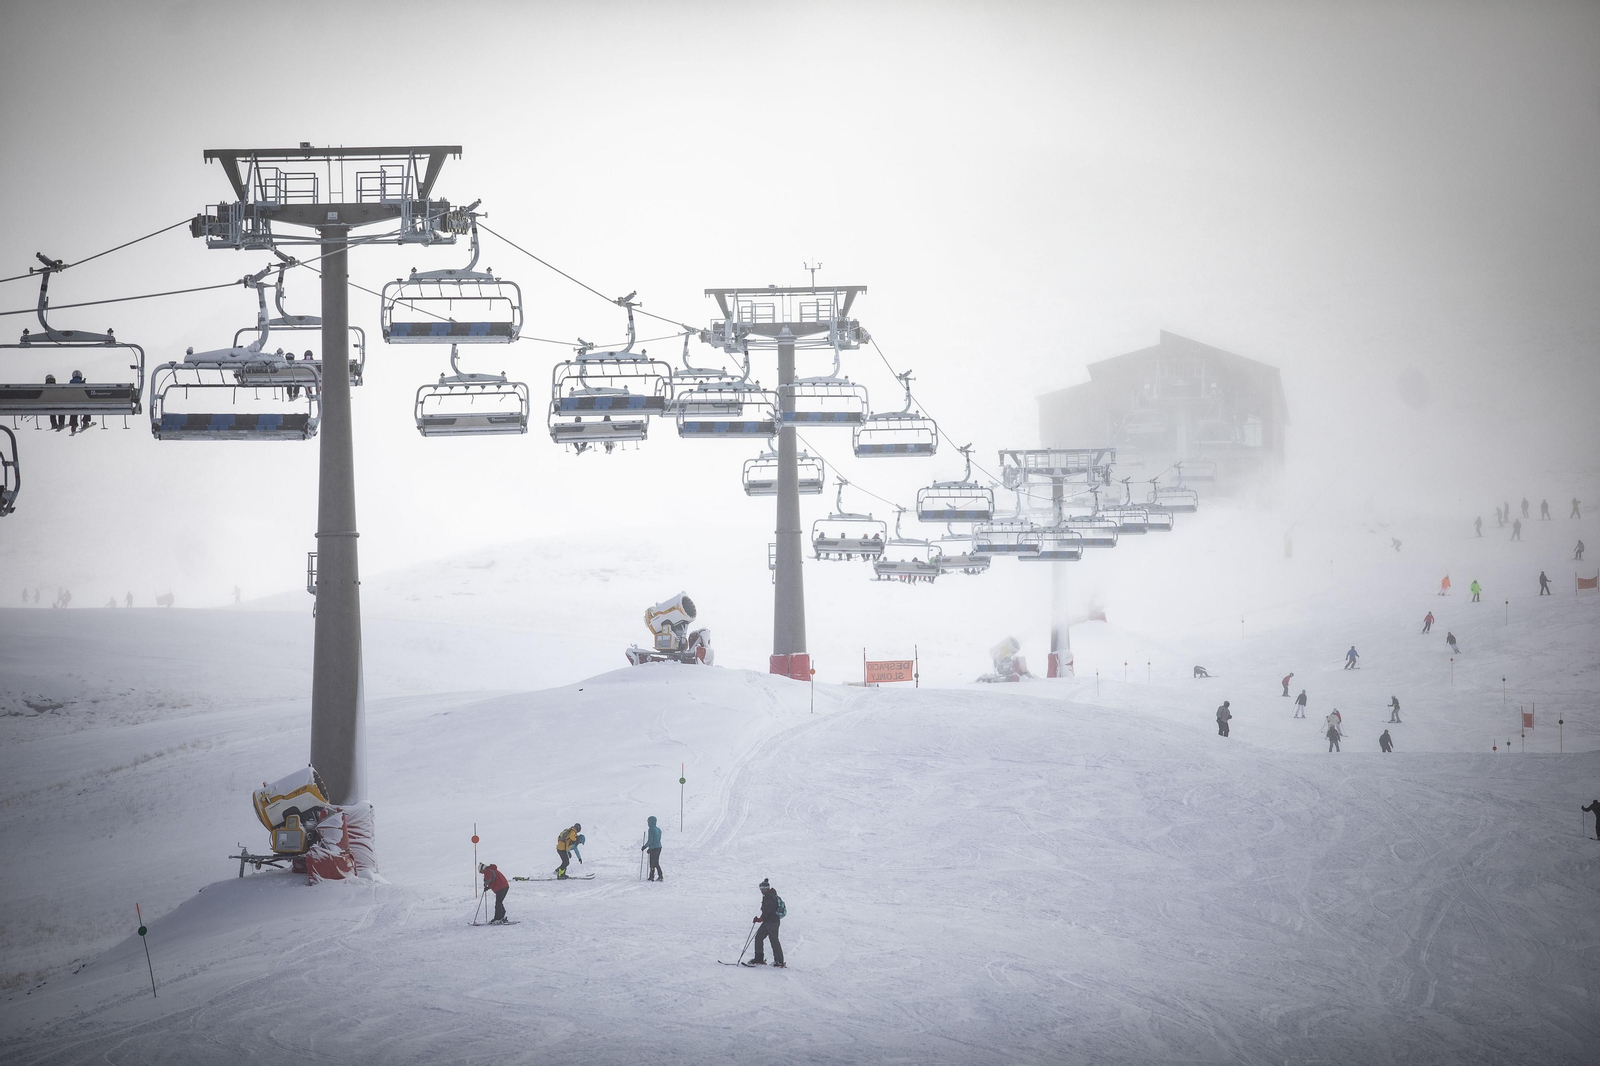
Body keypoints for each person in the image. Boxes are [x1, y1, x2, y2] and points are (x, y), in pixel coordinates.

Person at [748, 878, 785, 967]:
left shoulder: (769, 897)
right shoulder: (770, 895)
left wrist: (760, 919)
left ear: (765, 889)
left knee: (774, 940)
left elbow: (767, 910)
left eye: (762, 889)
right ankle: (759, 959)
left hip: (772, 922)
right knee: (759, 937)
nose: (761, 891)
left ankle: (779, 961)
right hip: (769, 921)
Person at [641, 815, 664, 882]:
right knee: (655, 862)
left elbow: (651, 840)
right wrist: (650, 848)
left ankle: (656, 876)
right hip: (658, 847)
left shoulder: (651, 829)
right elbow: (657, 839)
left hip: (654, 848)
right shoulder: (658, 829)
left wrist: (645, 846)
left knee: (653, 863)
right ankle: (653, 876)